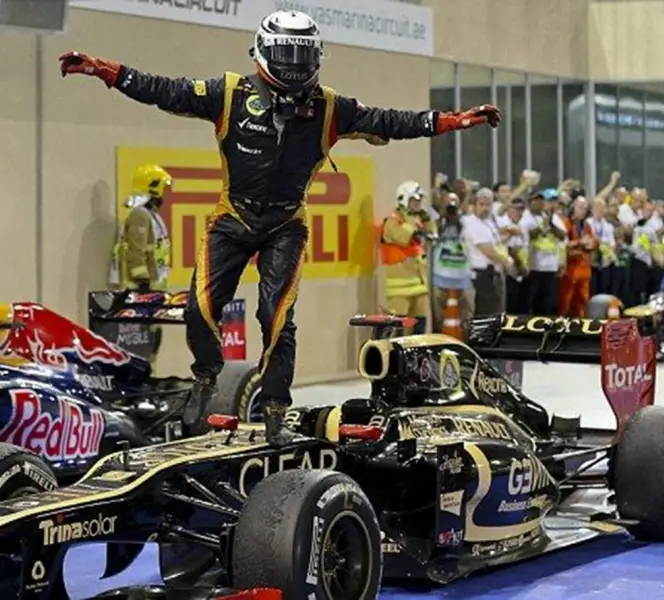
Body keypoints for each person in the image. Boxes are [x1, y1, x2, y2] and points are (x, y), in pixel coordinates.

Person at [59, 10, 500, 445]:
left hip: (287, 224)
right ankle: (206, 378)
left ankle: (274, 408)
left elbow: (391, 121)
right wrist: (107, 71)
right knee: (199, 308)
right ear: (262, 51)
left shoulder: (330, 106)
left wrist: (453, 120)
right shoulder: (228, 92)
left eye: (300, 54)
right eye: (285, 52)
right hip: (232, 217)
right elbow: (165, 90)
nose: (292, 63)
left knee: (276, 317)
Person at [110, 163, 172, 367]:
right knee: (144, 339)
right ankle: (143, 376)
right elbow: (136, 250)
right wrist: (142, 281)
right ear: (153, 186)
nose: (165, 191)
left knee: (154, 336)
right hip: (142, 290)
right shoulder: (140, 215)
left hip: (154, 289)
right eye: (163, 186)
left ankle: (149, 372)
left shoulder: (150, 215)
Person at [379, 181, 437, 332]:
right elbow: (404, 237)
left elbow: (433, 235)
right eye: (414, 200)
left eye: (419, 201)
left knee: (419, 327)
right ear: (404, 199)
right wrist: (416, 224)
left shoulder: (419, 220)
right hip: (399, 289)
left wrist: (427, 219)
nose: (418, 204)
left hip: (419, 286)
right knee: (397, 329)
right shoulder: (393, 221)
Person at [462, 192, 515, 316]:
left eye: (488, 205)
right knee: (486, 314)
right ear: (474, 205)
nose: (485, 208)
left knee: (496, 313)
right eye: (481, 204)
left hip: (494, 273)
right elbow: (487, 250)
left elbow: (496, 244)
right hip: (482, 275)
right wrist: (506, 262)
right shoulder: (472, 223)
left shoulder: (488, 222)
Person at [431, 193, 473, 333]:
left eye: (455, 202)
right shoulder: (438, 222)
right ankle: (438, 335)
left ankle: (468, 336)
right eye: (449, 202)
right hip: (441, 273)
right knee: (438, 308)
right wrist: (443, 216)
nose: (452, 206)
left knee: (467, 308)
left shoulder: (464, 222)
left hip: (461, 274)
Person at [520, 189, 566, 315]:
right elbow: (525, 236)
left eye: (541, 200)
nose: (540, 203)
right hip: (534, 266)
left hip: (551, 266)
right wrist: (541, 228)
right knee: (532, 302)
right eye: (537, 200)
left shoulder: (552, 218)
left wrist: (551, 224)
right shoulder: (526, 218)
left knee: (548, 303)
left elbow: (562, 236)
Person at [558, 196, 596, 317]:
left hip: (584, 270)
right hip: (570, 270)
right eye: (580, 208)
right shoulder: (565, 223)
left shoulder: (586, 226)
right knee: (565, 302)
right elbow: (563, 245)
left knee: (582, 303)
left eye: (585, 209)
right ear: (573, 208)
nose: (583, 211)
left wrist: (592, 244)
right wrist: (580, 242)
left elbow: (591, 242)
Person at [496, 197, 528, 313]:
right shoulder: (502, 222)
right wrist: (510, 231)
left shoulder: (522, 225)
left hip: (519, 271)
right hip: (505, 269)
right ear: (509, 209)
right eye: (516, 209)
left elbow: (524, 247)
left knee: (518, 304)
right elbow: (504, 245)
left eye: (522, 209)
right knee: (506, 305)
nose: (519, 212)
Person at [588, 196, 616, 297]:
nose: (601, 210)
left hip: (605, 263)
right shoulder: (588, 223)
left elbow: (612, 244)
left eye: (603, 207)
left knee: (604, 291)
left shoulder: (608, 226)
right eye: (598, 207)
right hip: (592, 262)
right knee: (592, 290)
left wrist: (604, 244)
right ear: (592, 209)